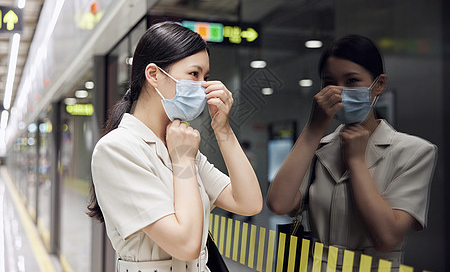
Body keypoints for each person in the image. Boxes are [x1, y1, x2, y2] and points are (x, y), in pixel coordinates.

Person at [88, 21, 262, 272]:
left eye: (206, 77)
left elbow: (248, 202)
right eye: (194, 74)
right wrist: (182, 161)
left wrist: (223, 129)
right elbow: (186, 244)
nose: (204, 86)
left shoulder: (180, 144)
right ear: (154, 75)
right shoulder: (117, 149)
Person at [266, 35, 437, 271]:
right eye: (330, 82)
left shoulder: (414, 152)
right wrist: (313, 129)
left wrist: (356, 162)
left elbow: (387, 238)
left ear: (379, 84)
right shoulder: (318, 148)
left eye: (352, 80)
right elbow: (278, 204)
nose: (340, 92)